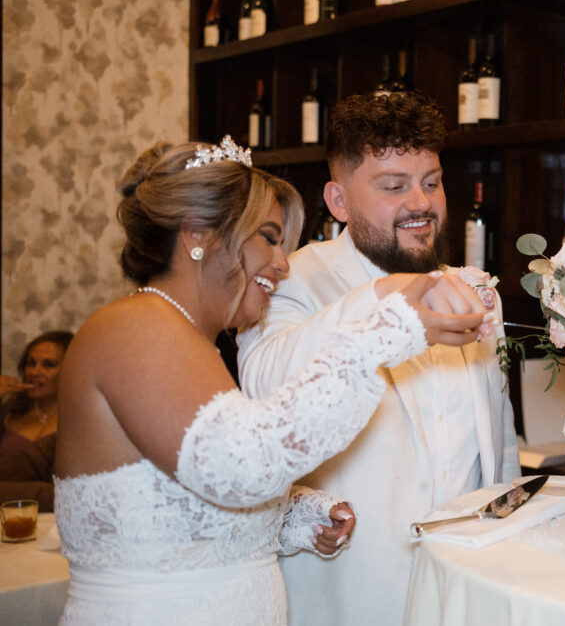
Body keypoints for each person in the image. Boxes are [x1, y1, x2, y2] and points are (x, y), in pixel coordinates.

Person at [53, 136, 493, 624]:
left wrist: (294, 516)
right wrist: (383, 332)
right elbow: (242, 468)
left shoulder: (188, 339)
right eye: (267, 236)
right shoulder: (135, 327)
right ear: (198, 235)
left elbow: (184, 500)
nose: (283, 263)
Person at [237, 92, 520, 625]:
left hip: (461, 587)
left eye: (431, 182)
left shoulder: (474, 290)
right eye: (394, 186)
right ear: (339, 201)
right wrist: (383, 297)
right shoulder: (291, 280)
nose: (421, 203)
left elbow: (496, 444)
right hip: (349, 591)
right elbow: (262, 384)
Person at [0, 330, 74, 511]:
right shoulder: (8, 412)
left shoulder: (79, 421)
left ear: (72, 370)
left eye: (48, 365)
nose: (35, 372)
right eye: (30, 363)